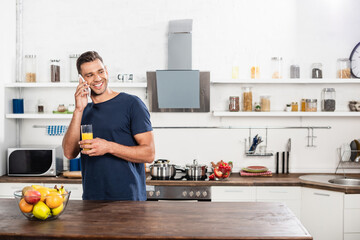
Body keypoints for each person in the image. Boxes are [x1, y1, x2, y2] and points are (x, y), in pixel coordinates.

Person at [62, 51, 155, 201]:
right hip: (92, 201)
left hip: (129, 201)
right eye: (89, 75)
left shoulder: (132, 104)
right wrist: (78, 110)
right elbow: (69, 153)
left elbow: (149, 153)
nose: (97, 78)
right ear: (81, 80)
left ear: (106, 70)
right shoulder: (83, 111)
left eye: (100, 71)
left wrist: (108, 147)